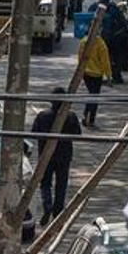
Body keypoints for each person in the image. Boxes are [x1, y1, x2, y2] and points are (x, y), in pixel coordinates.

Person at [32, 89, 81, 226]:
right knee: (61, 184)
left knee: (45, 183)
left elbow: (34, 133)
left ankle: (47, 206)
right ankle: (57, 211)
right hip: (64, 156)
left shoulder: (43, 115)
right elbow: (77, 133)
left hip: (46, 155)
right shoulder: (71, 116)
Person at [78, 26, 112, 127]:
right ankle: (90, 119)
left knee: (91, 94)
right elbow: (105, 61)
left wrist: (80, 71)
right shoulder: (100, 43)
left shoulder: (83, 41)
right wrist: (109, 77)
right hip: (96, 75)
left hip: (86, 73)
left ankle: (86, 116)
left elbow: (80, 56)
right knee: (94, 97)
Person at [99, 0, 128, 84]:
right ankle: (115, 76)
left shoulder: (98, 7)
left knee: (111, 58)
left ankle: (113, 75)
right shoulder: (114, 9)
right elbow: (123, 24)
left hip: (108, 39)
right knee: (114, 58)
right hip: (109, 39)